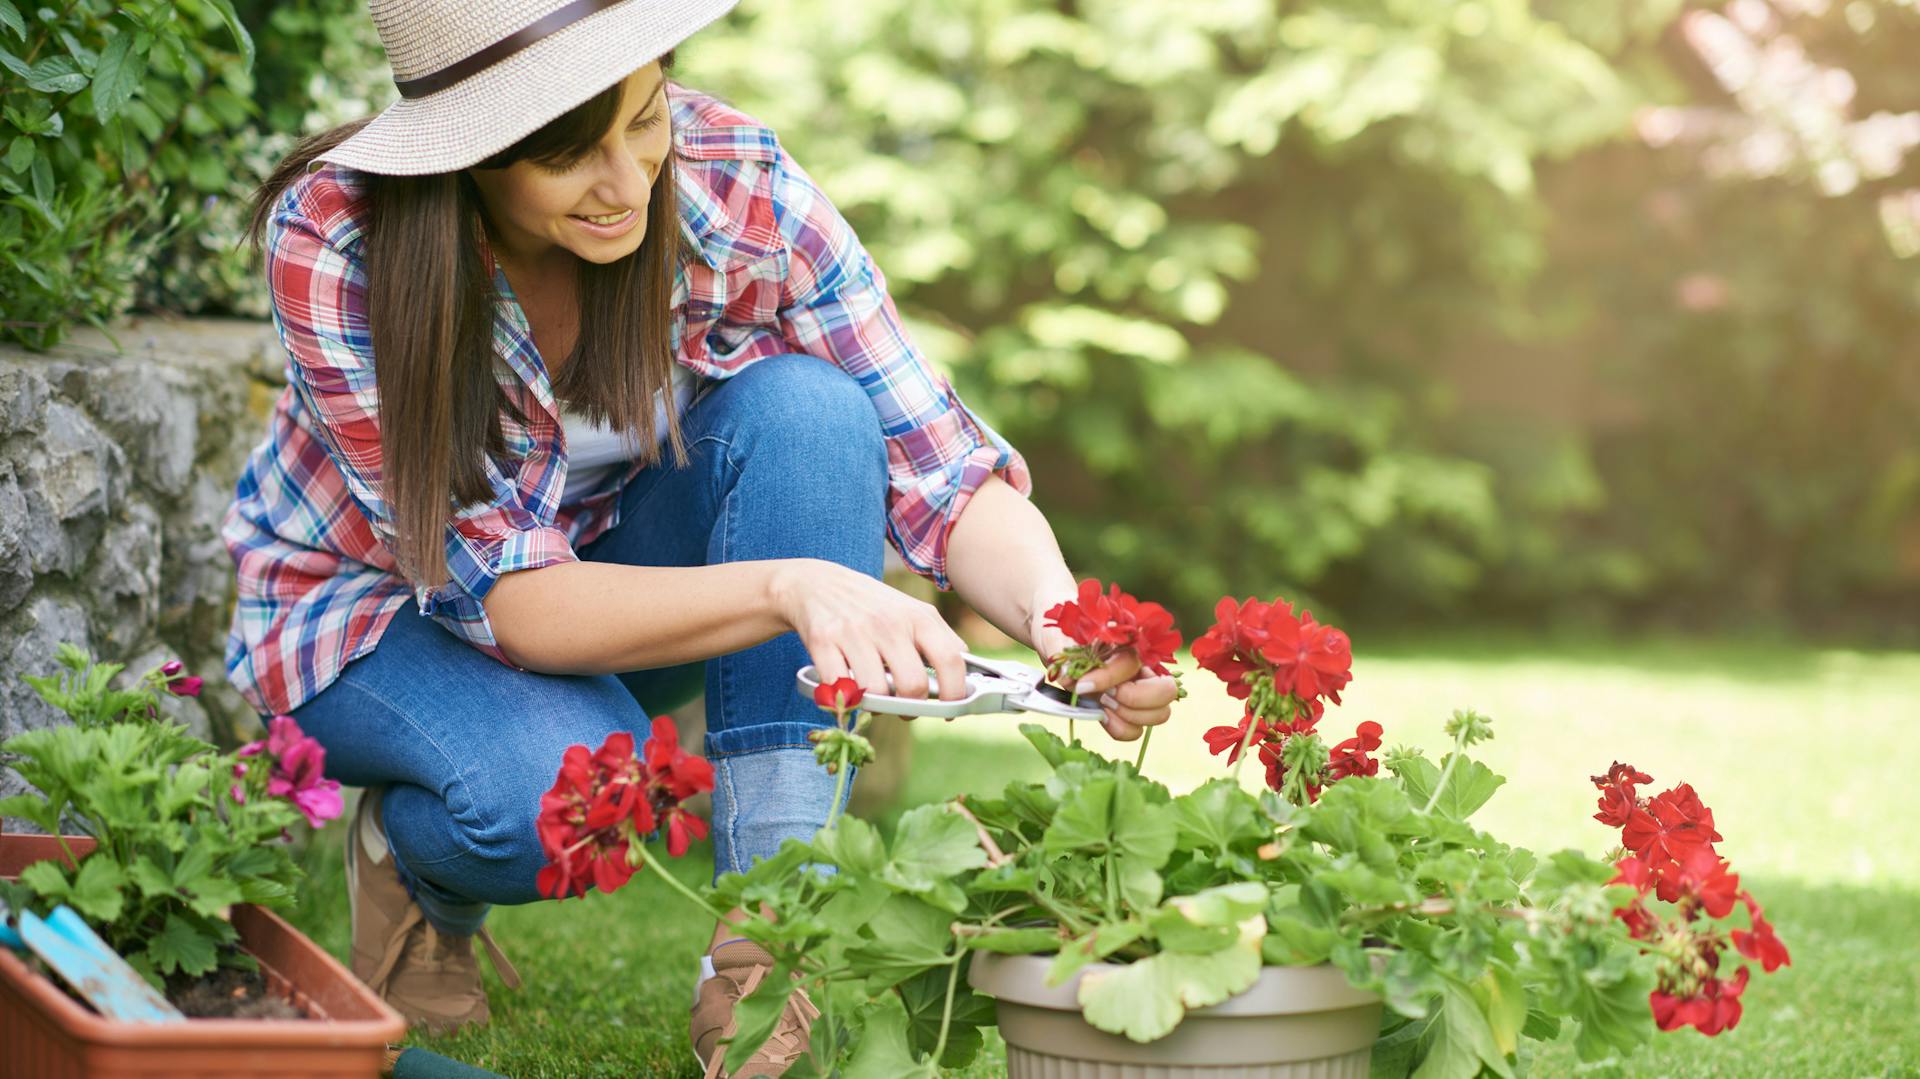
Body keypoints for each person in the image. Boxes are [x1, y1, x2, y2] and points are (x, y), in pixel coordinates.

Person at [224, 0, 1178, 1072]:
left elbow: (942, 464)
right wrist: (792, 588)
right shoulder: (343, 240)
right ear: (471, 155)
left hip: (607, 578)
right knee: (563, 800)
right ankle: (414, 860)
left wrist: (1068, 626)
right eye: (568, 155)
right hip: (363, 619)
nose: (629, 183)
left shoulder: (738, 181)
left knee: (811, 411)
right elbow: (514, 597)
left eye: (642, 117)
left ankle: (771, 946)